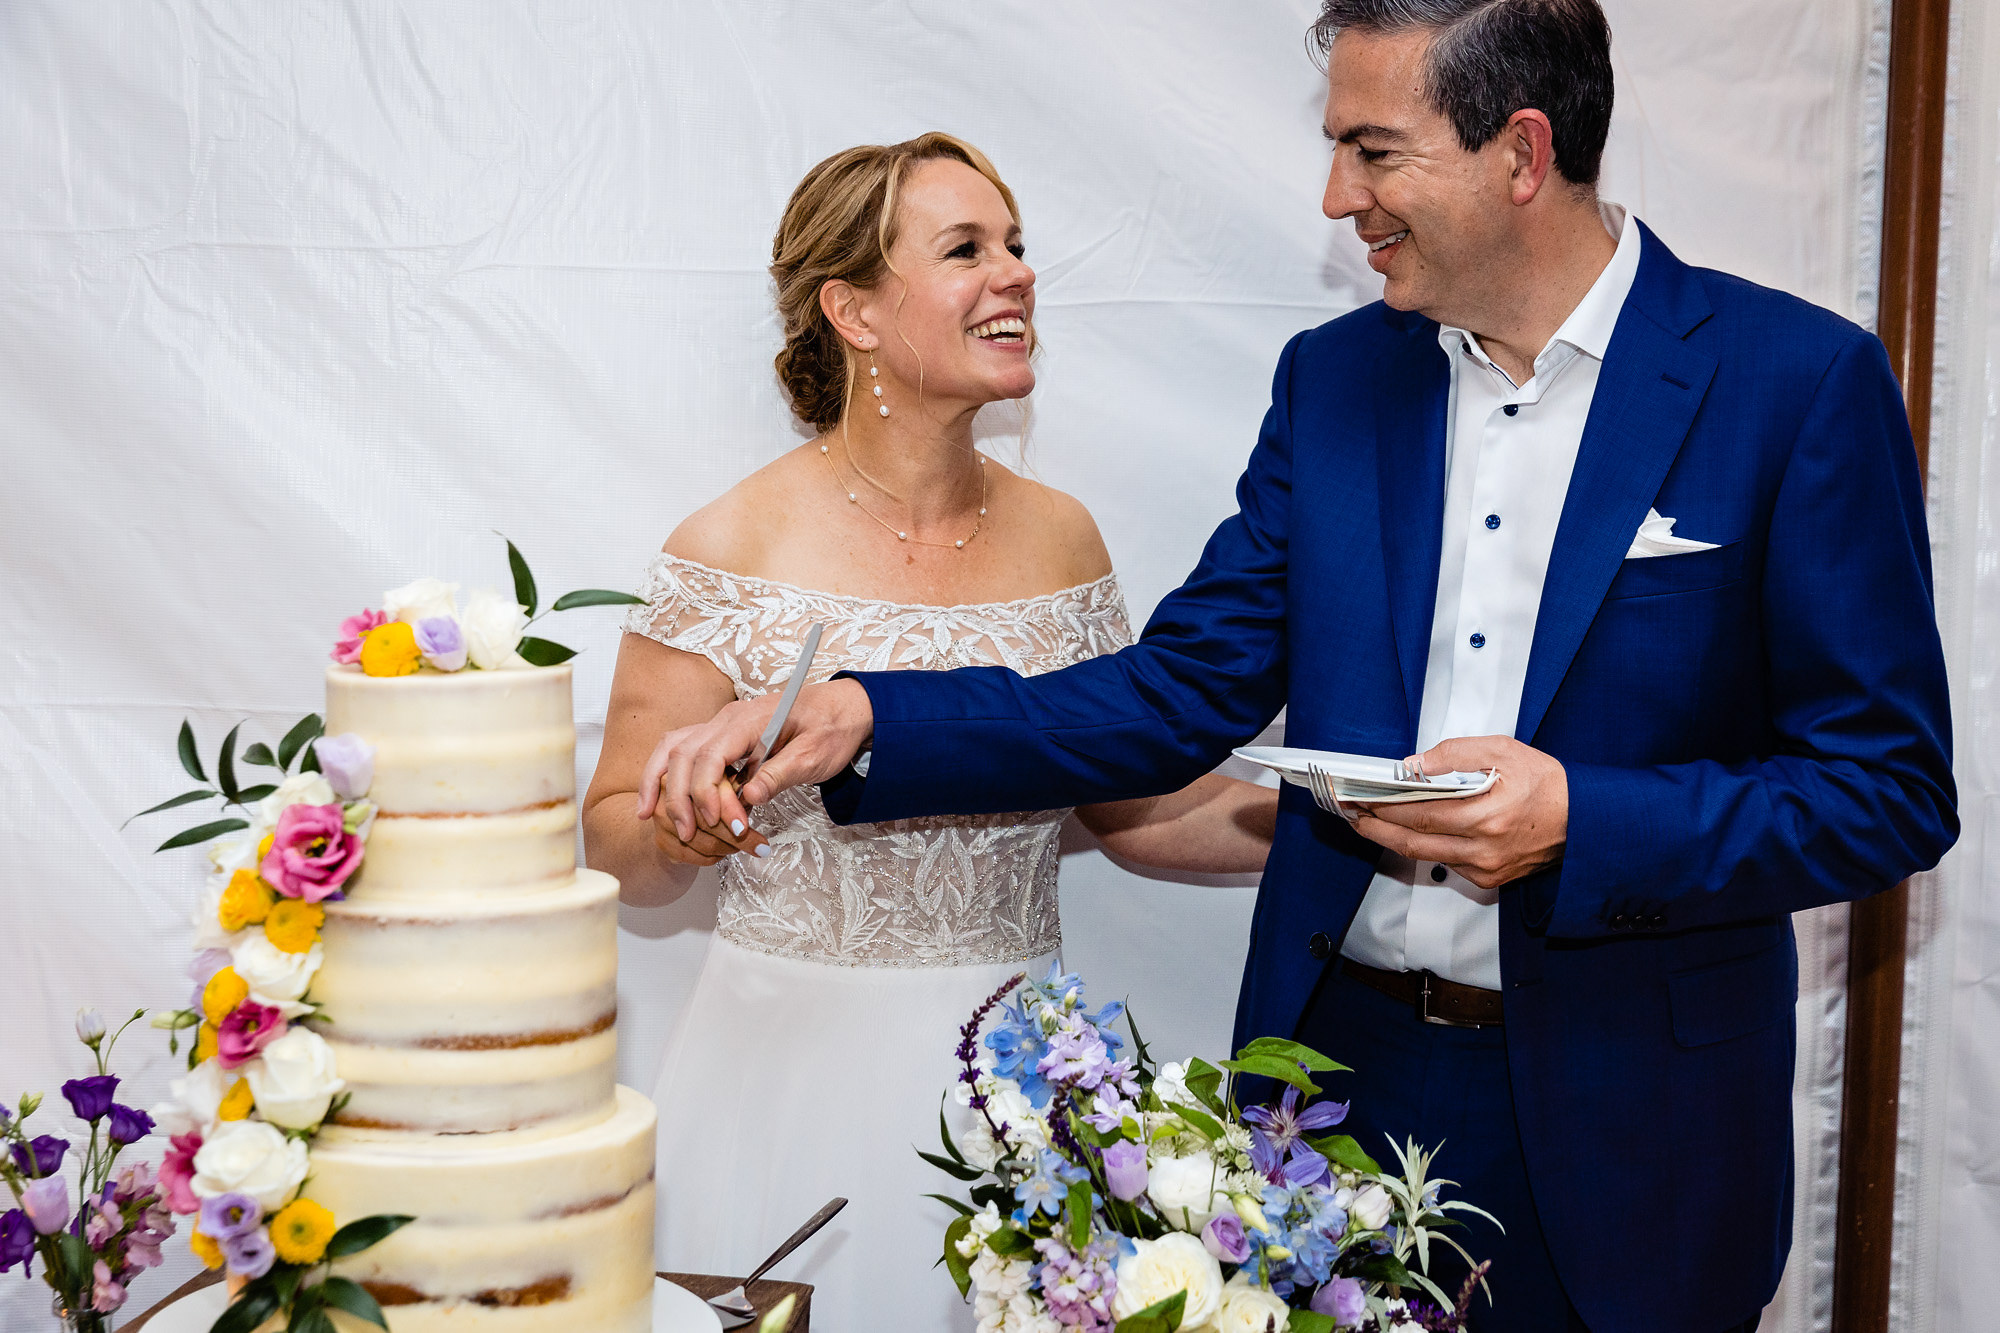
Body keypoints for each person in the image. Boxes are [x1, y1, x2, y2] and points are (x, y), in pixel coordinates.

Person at [641, 3, 1960, 1331]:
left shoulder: (1796, 383)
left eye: (1374, 152)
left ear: (1520, 148)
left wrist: (1580, 820)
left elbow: (1889, 789)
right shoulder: (1335, 384)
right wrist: (869, 713)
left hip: (1636, 1120)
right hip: (1331, 1098)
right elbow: (1170, 695)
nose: (1341, 198)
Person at [583, 132, 1278, 1331]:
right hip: (783, 1078)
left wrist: (1349, 823)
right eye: (965, 249)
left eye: (1015, 246)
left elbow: (1128, 803)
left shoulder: (1064, 538)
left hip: (1021, 1079)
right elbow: (611, 841)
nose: (1012, 273)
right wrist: (680, 830)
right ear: (849, 308)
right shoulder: (730, 546)